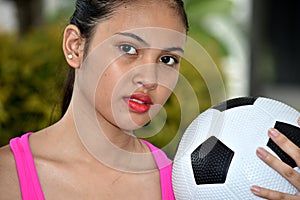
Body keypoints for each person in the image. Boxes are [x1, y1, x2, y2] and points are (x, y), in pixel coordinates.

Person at [0, 0, 299, 199]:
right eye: (128, 49)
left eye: (168, 59)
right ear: (76, 46)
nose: (151, 78)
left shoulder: (187, 187)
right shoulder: (6, 177)